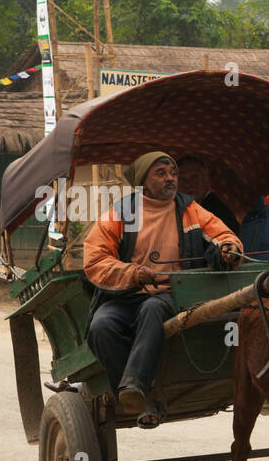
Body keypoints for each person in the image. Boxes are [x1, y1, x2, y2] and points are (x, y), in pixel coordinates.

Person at [83, 151, 243, 428]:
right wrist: (134, 273)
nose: (170, 179)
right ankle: (139, 396)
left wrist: (229, 249)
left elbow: (224, 235)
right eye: (161, 173)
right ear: (143, 181)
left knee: (154, 308)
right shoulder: (120, 213)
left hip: (172, 295)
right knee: (100, 325)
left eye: (173, 174)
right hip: (123, 295)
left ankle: (137, 387)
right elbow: (95, 260)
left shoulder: (190, 209)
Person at [176, 154, 240, 230]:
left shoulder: (216, 212)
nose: (188, 184)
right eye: (182, 179)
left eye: (194, 177)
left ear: (206, 180)